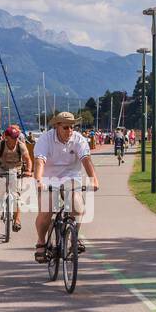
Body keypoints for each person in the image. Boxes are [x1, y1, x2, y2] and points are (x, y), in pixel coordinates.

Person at [33, 111, 98, 262]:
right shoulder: (45, 139)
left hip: (71, 177)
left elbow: (86, 160)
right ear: (56, 126)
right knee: (46, 211)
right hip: (48, 178)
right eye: (65, 127)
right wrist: (38, 181)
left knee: (77, 205)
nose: (69, 131)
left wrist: (94, 180)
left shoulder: (78, 139)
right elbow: (39, 161)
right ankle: (41, 241)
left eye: (72, 127)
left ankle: (73, 237)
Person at [0, 124, 32, 233]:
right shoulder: (1, 144)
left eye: (17, 136)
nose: (16, 138)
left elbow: (27, 159)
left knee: (16, 196)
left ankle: (17, 220)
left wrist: (28, 170)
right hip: (3, 169)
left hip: (16, 170)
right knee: (2, 192)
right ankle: (1, 201)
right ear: (7, 137)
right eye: (13, 137)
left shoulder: (20, 145)